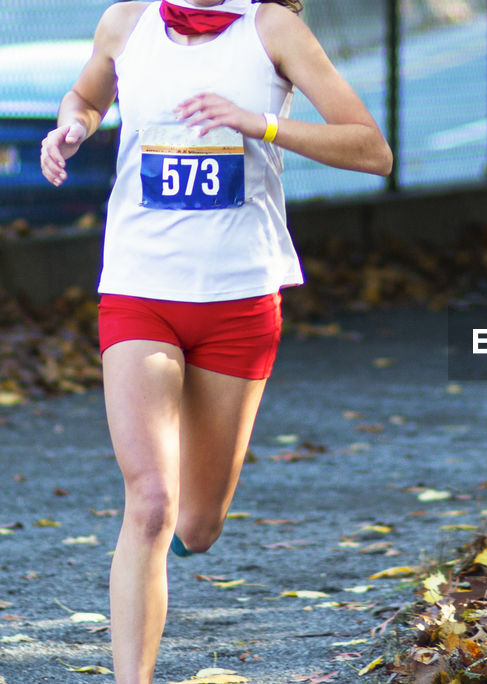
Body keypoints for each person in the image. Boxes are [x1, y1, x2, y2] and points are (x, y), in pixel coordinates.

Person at [39, 1, 392, 681]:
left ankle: (186, 539)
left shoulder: (273, 29)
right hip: (139, 290)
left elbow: (372, 149)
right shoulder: (126, 22)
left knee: (197, 524)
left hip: (238, 303)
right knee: (150, 501)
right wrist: (71, 128)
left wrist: (258, 122)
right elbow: (86, 95)